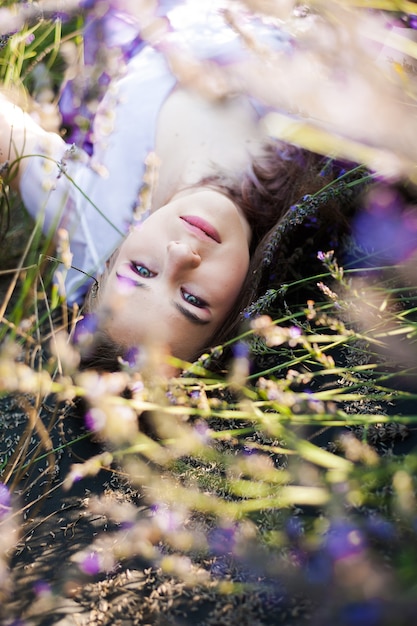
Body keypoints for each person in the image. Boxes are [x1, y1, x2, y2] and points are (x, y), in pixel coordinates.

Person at [0, 0, 358, 371]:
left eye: (140, 271)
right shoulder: (325, 174)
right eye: (193, 300)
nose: (180, 255)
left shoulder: (92, 222)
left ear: (106, 264)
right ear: (235, 314)